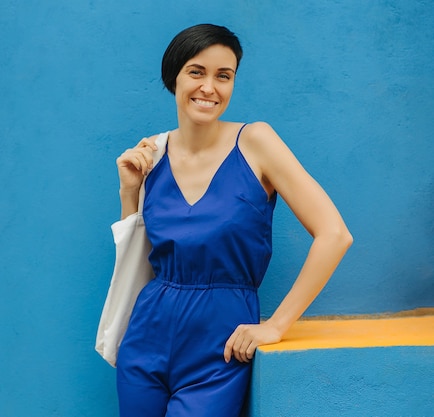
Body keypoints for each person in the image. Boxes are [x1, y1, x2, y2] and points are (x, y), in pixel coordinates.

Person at [113, 23, 353, 417]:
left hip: (220, 341)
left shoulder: (256, 142)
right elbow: (135, 262)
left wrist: (277, 324)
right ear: (173, 76)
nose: (210, 87)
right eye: (196, 71)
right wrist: (128, 192)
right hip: (145, 337)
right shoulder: (152, 152)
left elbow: (335, 234)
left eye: (223, 76)